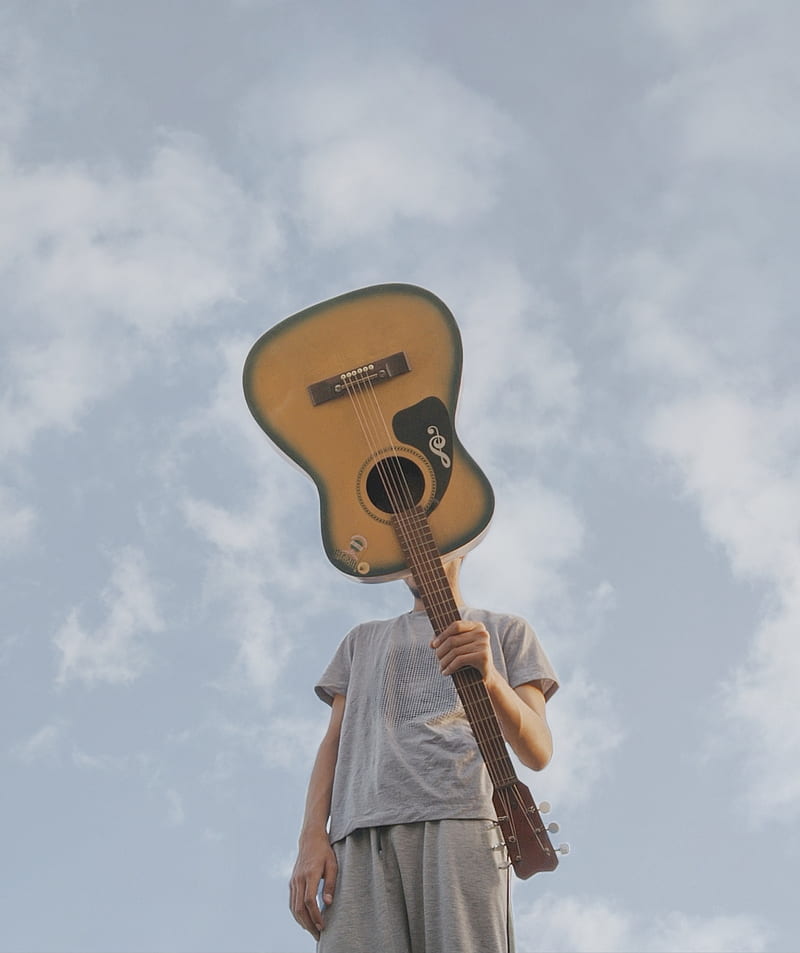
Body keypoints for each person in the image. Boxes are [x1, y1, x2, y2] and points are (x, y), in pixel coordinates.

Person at [289, 555, 559, 953]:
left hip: (461, 818)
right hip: (359, 833)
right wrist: (311, 837)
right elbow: (333, 741)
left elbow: (539, 751)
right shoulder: (360, 640)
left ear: (460, 542)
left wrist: (490, 676)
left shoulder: (506, 630)